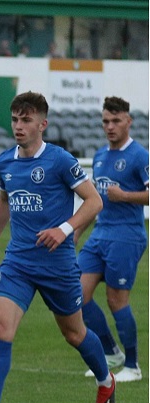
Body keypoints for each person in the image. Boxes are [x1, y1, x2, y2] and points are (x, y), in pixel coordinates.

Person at [0, 91, 116, 403]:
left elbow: (94, 201)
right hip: (18, 263)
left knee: (74, 334)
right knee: (1, 328)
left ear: (42, 124)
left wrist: (64, 229)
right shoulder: (5, 162)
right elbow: (4, 201)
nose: (19, 126)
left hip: (58, 266)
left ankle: (106, 380)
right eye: (15, 119)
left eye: (26, 120)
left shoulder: (60, 160)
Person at [75, 96, 149, 383]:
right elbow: (95, 200)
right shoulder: (100, 156)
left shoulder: (140, 156)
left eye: (116, 120)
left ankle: (132, 366)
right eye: (106, 121)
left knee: (117, 300)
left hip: (126, 237)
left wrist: (125, 196)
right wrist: (78, 231)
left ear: (128, 122)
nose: (110, 126)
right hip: (100, 234)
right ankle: (110, 352)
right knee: (76, 295)